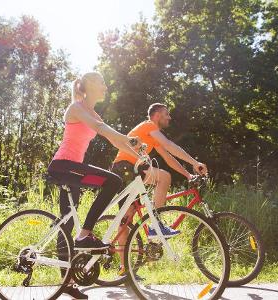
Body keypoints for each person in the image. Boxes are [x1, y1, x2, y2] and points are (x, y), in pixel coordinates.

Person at [47, 72, 141, 299]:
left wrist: (137, 155)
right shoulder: (76, 108)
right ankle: (85, 234)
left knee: (66, 221)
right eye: (101, 81)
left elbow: (113, 138)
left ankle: (66, 282)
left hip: (73, 168)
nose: (105, 85)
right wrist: (131, 141)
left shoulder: (92, 112)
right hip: (63, 165)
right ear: (89, 86)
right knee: (113, 181)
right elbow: (101, 129)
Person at [111, 102, 208, 276]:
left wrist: (188, 175)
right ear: (156, 115)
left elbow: (168, 157)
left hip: (131, 170)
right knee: (164, 177)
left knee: (127, 219)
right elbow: (170, 145)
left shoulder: (152, 136)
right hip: (125, 167)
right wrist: (195, 163)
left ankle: (125, 269)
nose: (169, 117)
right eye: (166, 114)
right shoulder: (148, 125)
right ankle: (156, 225)